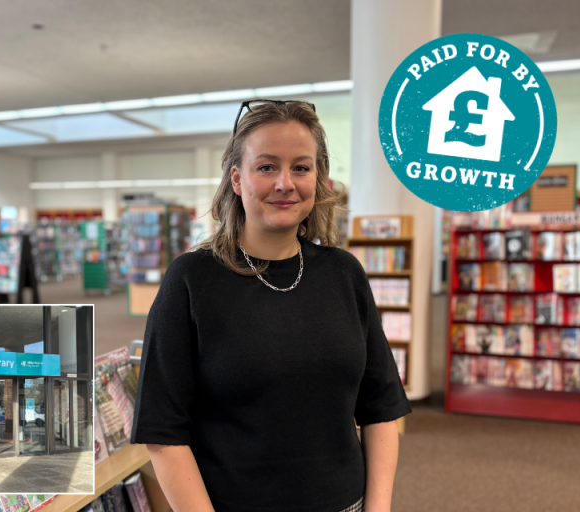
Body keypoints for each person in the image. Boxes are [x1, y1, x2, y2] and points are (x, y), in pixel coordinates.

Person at [130, 100, 411, 512]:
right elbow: (162, 431)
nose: (285, 183)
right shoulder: (191, 280)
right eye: (266, 167)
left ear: (318, 179)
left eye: (301, 167)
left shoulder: (344, 273)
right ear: (237, 179)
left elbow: (381, 407)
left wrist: (378, 509)